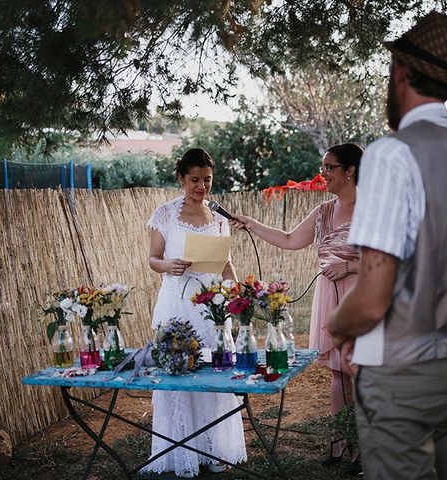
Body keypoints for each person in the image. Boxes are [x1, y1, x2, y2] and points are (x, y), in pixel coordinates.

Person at [328, 11, 447, 480]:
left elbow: (369, 301)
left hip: (399, 375)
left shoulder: (392, 154)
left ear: (400, 70)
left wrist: (336, 325)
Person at [229, 143, 363, 467]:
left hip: (362, 294)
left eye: (329, 167)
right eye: (322, 167)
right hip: (328, 296)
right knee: (339, 374)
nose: (323, 174)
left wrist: (350, 266)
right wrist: (252, 224)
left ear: (350, 170)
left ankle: (365, 449)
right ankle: (338, 443)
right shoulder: (323, 212)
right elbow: (289, 239)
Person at [143, 148, 247, 477]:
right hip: (175, 303)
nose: (201, 187)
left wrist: (235, 291)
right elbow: (153, 258)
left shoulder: (218, 220)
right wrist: (168, 266)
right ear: (181, 178)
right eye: (195, 180)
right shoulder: (165, 214)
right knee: (179, 375)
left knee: (215, 372)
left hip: (211, 309)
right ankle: (179, 451)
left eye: (207, 180)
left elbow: (225, 263)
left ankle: (217, 450)